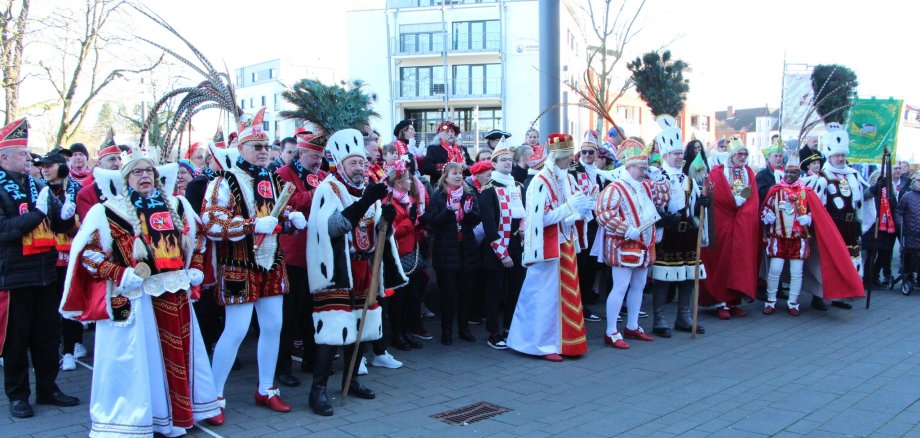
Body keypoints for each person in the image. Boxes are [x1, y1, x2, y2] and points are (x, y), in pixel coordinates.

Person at [60, 146, 221, 436]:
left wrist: (196, 267)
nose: (144, 176)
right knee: (140, 362)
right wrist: (120, 273)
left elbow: (198, 241)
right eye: (137, 171)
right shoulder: (107, 211)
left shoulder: (177, 205)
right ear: (125, 177)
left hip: (175, 293)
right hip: (135, 300)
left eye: (149, 171)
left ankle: (177, 417)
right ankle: (141, 420)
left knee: (178, 356)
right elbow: (88, 254)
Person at [202, 108, 306, 416]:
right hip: (239, 263)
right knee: (235, 330)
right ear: (241, 149)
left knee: (274, 325)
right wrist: (250, 225)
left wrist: (291, 219)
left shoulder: (273, 180)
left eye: (266, 146)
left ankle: (266, 388)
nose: (263, 151)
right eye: (257, 147)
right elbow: (211, 224)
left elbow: (276, 216)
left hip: (271, 260)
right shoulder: (223, 182)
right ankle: (214, 396)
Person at [306, 128, 407, 416]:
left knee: (364, 326)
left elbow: (376, 228)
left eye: (363, 162)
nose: (360, 168)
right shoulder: (329, 189)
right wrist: (365, 202)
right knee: (334, 330)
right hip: (338, 269)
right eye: (354, 163)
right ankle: (318, 390)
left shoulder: (368, 190)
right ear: (339, 165)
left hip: (366, 267)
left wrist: (386, 221)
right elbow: (332, 227)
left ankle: (350, 381)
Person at [0, 118, 79, 419]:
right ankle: (18, 395)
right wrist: (37, 213)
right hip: (15, 275)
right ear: (3, 158)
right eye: (22, 154)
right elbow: (5, 230)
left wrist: (65, 215)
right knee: (16, 341)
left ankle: (48, 388)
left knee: (47, 336)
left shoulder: (37, 184)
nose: (29, 159)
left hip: (45, 272)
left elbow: (56, 222)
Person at [507, 133, 592, 362]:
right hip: (546, 248)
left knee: (563, 296)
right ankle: (538, 345)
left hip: (564, 243)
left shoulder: (566, 179)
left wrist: (581, 209)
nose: (571, 161)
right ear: (557, 158)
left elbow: (567, 212)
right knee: (544, 297)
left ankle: (563, 343)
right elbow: (539, 220)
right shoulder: (539, 182)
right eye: (567, 158)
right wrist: (568, 208)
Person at [763, 152, 865, 315]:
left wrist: (808, 219)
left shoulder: (806, 192)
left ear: (799, 174)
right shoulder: (776, 190)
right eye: (788, 172)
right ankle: (771, 300)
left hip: (799, 238)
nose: (790, 175)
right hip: (779, 237)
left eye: (794, 172)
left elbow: (817, 211)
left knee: (797, 272)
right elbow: (766, 209)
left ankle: (793, 302)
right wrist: (767, 216)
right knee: (775, 270)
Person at [596, 139, 667, 348]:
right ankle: (611, 331)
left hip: (645, 244)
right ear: (629, 167)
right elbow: (603, 213)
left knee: (639, 286)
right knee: (620, 287)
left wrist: (660, 178)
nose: (644, 171)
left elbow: (664, 199)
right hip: (623, 244)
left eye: (645, 167)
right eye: (641, 167)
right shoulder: (615, 188)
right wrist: (626, 228)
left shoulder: (645, 185)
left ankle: (633, 325)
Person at [273, 131, 326, 387]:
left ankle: (311, 359)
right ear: (301, 153)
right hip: (292, 256)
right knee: (288, 315)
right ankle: (282, 367)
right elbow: (285, 203)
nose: (318, 161)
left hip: (316, 254)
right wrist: (314, 195)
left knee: (311, 312)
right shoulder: (283, 174)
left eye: (321, 156)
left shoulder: (323, 176)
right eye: (314, 156)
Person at [650, 118, 709, 338]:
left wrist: (702, 205)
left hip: (688, 233)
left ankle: (684, 317)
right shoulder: (656, 178)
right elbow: (650, 206)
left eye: (679, 153)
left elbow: (694, 209)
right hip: (668, 233)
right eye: (674, 154)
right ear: (665, 155)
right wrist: (662, 218)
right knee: (663, 277)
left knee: (688, 276)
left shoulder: (689, 181)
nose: (679, 157)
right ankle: (660, 319)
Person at [700, 135, 760, 319]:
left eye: (744, 154)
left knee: (739, 262)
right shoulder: (718, 173)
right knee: (722, 261)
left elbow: (753, 193)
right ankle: (721, 302)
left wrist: (744, 205)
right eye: (739, 154)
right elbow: (713, 196)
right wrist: (730, 202)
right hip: (723, 222)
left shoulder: (749, 173)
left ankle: (735, 301)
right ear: (731, 155)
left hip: (741, 223)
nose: (742, 157)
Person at [36, 150, 85, 371]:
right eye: (42, 166)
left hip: (72, 256)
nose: (44, 169)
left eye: (49, 165)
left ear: (62, 166)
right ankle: (50, 354)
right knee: (48, 310)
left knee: (70, 304)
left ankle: (70, 351)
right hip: (46, 257)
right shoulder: (38, 188)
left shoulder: (77, 190)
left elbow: (86, 222)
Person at [423, 162, 481, 345]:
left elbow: (475, 219)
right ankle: (446, 331)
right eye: (454, 173)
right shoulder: (438, 197)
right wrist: (448, 211)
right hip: (446, 251)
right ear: (445, 177)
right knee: (447, 295)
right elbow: (432, 222)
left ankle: (464, 329)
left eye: (460, 173)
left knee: (467, 294)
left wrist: (470, 213)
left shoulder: (468, 194)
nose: (458, 176)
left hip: (466, 250)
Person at [818, 123, 871, 310]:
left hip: (850, 225)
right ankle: (819, 296)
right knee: (829, 260)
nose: (841, 158)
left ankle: (842, 294)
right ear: (830, 155)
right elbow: (818, 204)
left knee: (848, 259)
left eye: (843, 155)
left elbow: (861, 200)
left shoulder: (852, 175)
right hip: (832, 225)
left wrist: (874, 189)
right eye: (837, 155)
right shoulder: (822, 176)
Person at [479, 140, 525, 349]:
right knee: (494, 292)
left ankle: (510, 327)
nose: (507, 163)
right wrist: (502, 253)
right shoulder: (488, 190)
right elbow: (489, 226)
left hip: (518, 246)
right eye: (503, 160)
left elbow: (524, 212)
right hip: (497, 249)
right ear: (494, 164)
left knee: (515, 290)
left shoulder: (519, 186)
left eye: (509, 159)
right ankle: (493, 333)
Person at [570, 130, 607, 322]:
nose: (586, 155)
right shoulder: (574, 171)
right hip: (578, 223)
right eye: (583, 152)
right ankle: (577, 305)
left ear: (597, 154)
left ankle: (585, 303)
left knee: (590, 265)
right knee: (580, 264)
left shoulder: (600, 175)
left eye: (590, 152)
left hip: (595, 224)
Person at [75, 134, 123, 220]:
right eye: (112, 159)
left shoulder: (131, 189)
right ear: (99, 164)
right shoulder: (85, 194)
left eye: (119, 159)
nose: (117, 163)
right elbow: (90, 228)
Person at [756, 138, 786, 203]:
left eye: (780, 156)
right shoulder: (761, 174)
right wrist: (776, 188)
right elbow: (760, 193)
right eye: (776, 156)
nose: (778, 158)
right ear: (769, 157)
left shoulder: (787, 173)